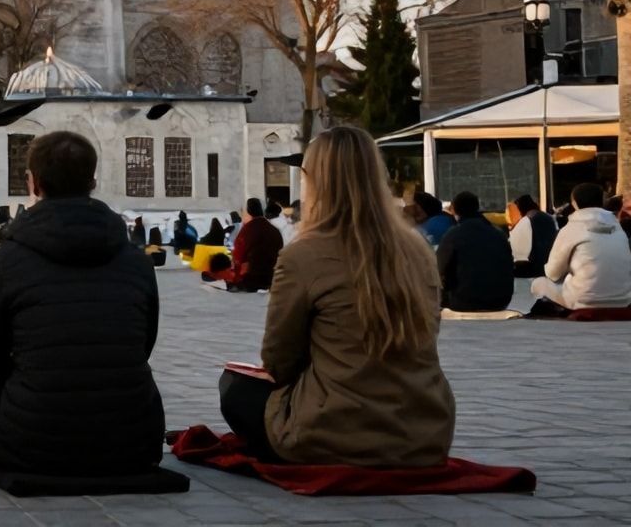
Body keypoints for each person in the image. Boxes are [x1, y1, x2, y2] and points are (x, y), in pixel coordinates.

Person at [218, 127, 454, 467]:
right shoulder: (418, 250)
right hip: (425, 434)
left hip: (334, 432)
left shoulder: (304, 255)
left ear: (314, 182)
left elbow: (279, 359)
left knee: (235, 388)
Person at [0, 131, 164, 478]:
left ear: (34, 182)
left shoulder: (5, 261)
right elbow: (143, 345)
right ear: (92, 181)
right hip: (131, 439)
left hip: (29, 440)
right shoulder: (137, 262)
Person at [531, 182, 631, 311]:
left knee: (538, 283)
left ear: (574, 203)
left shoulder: (571, 228)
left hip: (583, 301)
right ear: (602, 201)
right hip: (622, 301)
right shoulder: (618, 228)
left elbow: (553, 274)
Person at [435, 191, 513, 313]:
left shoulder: (453, 234)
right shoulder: (498, 234)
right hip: (500, 301)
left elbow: (438, 268)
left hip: (464, 301)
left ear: (454, 210)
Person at [206, 198, 282, 292]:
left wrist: (235, 277)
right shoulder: (274, 230)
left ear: (248, 212)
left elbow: (238, 256)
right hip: (271, 278)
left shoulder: (248, 230)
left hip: (251, 279)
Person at [509, 194, 558, 278]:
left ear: (520, 209)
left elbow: (516, 250)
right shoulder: (550, 218)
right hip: (550, 267)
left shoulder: (525, 222)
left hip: (532, 271)